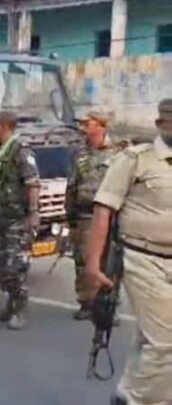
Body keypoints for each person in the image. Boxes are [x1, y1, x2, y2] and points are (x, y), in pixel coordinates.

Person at [85, 98, 172, 405]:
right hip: (141, 257)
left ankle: (124, 401)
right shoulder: (135, 159)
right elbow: (103, 211)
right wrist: (93, 264)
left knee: (148, 339)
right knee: (166, 343)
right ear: (161, 124)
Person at [0, 110, 41, 330]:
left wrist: (33, 213)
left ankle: (21, 310)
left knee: (15, 267)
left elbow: (32, 184)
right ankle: (11, 305)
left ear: (4, 126)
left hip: (17, 220)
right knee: (1, 266)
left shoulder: (20, 151)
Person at [66, 110, 118, 321]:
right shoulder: (80, 153)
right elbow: (72, 185)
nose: (84, 127)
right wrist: (69, 215)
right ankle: (86, 302)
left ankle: (108, 305)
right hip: (85, 215)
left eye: (89, 123)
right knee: (84, 259)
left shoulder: (119, 153)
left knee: (110, 261)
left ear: (102, 127)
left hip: (112, 215)